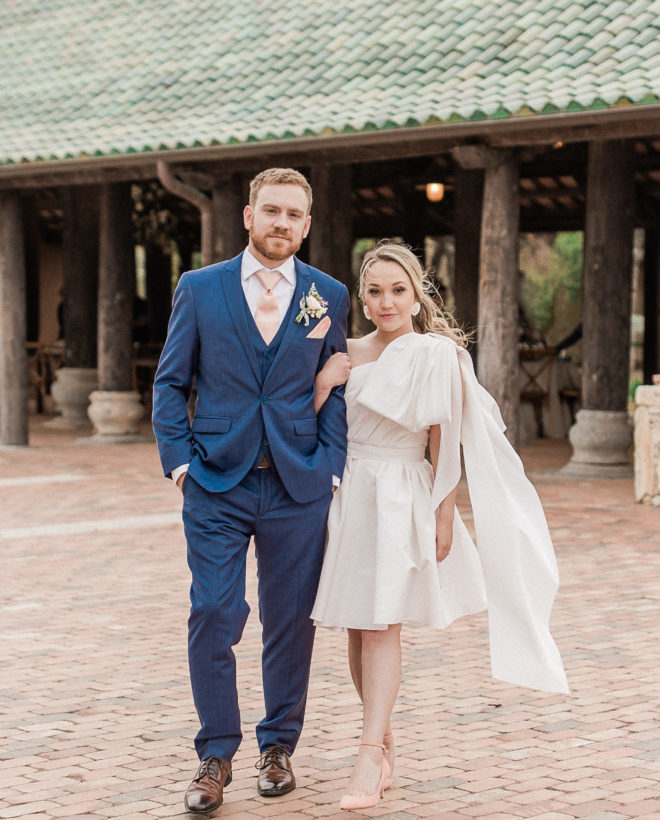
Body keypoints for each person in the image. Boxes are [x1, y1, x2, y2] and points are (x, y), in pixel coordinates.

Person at [311, 242, 569, 811]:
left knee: (383, 625)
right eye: (375, 291)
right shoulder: (345, 352)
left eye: (397, 290)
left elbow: (442, 441)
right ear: (362, 295)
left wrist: (443, 513)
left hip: (402, 493)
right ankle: (383, 741)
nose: (386, 302)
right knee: (358, 624)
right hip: (349, 492)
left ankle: (368, 751)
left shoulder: (436, 354)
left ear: (418, 292)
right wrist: (325, 383)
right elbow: (308, 423)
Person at [152, 168, 350, 814]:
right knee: (213, 610)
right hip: (215, 481)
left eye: (294, 215)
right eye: (271, 211)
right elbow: (169, 382)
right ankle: (215, 755)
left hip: (299, 483)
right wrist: (180, 465)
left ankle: (278, 747)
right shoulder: (200, 290)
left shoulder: (328, 295)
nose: (281, 224)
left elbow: (337, 383)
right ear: (247, 216)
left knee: (290, 622)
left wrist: (331, 465)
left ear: (307, 224)